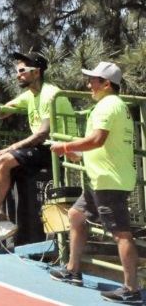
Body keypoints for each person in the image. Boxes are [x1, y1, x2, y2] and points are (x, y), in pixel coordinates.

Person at [48, 62, 141, 304]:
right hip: (100, 180)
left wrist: (65, 146)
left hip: (108, 183)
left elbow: (97, 140)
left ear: (107, 84)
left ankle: (131, 289)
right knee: (76, 215)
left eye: (93, 80)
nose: (88, 84)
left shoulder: (108, 106)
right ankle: (73, 270)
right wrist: (77, 154)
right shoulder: (113, 106)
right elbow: (104, 145)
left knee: (121, 234)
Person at [0, 50, 75, 239]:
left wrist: (11, 148)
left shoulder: (51, 94)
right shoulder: (29, 95)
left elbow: (42, 134)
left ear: (37, 72)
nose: (18, 75)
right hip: (43, 147)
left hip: (58, 148)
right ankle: (0, 218)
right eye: (17, 71)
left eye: (23, 70)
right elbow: (1, 112)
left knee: (6, 159)